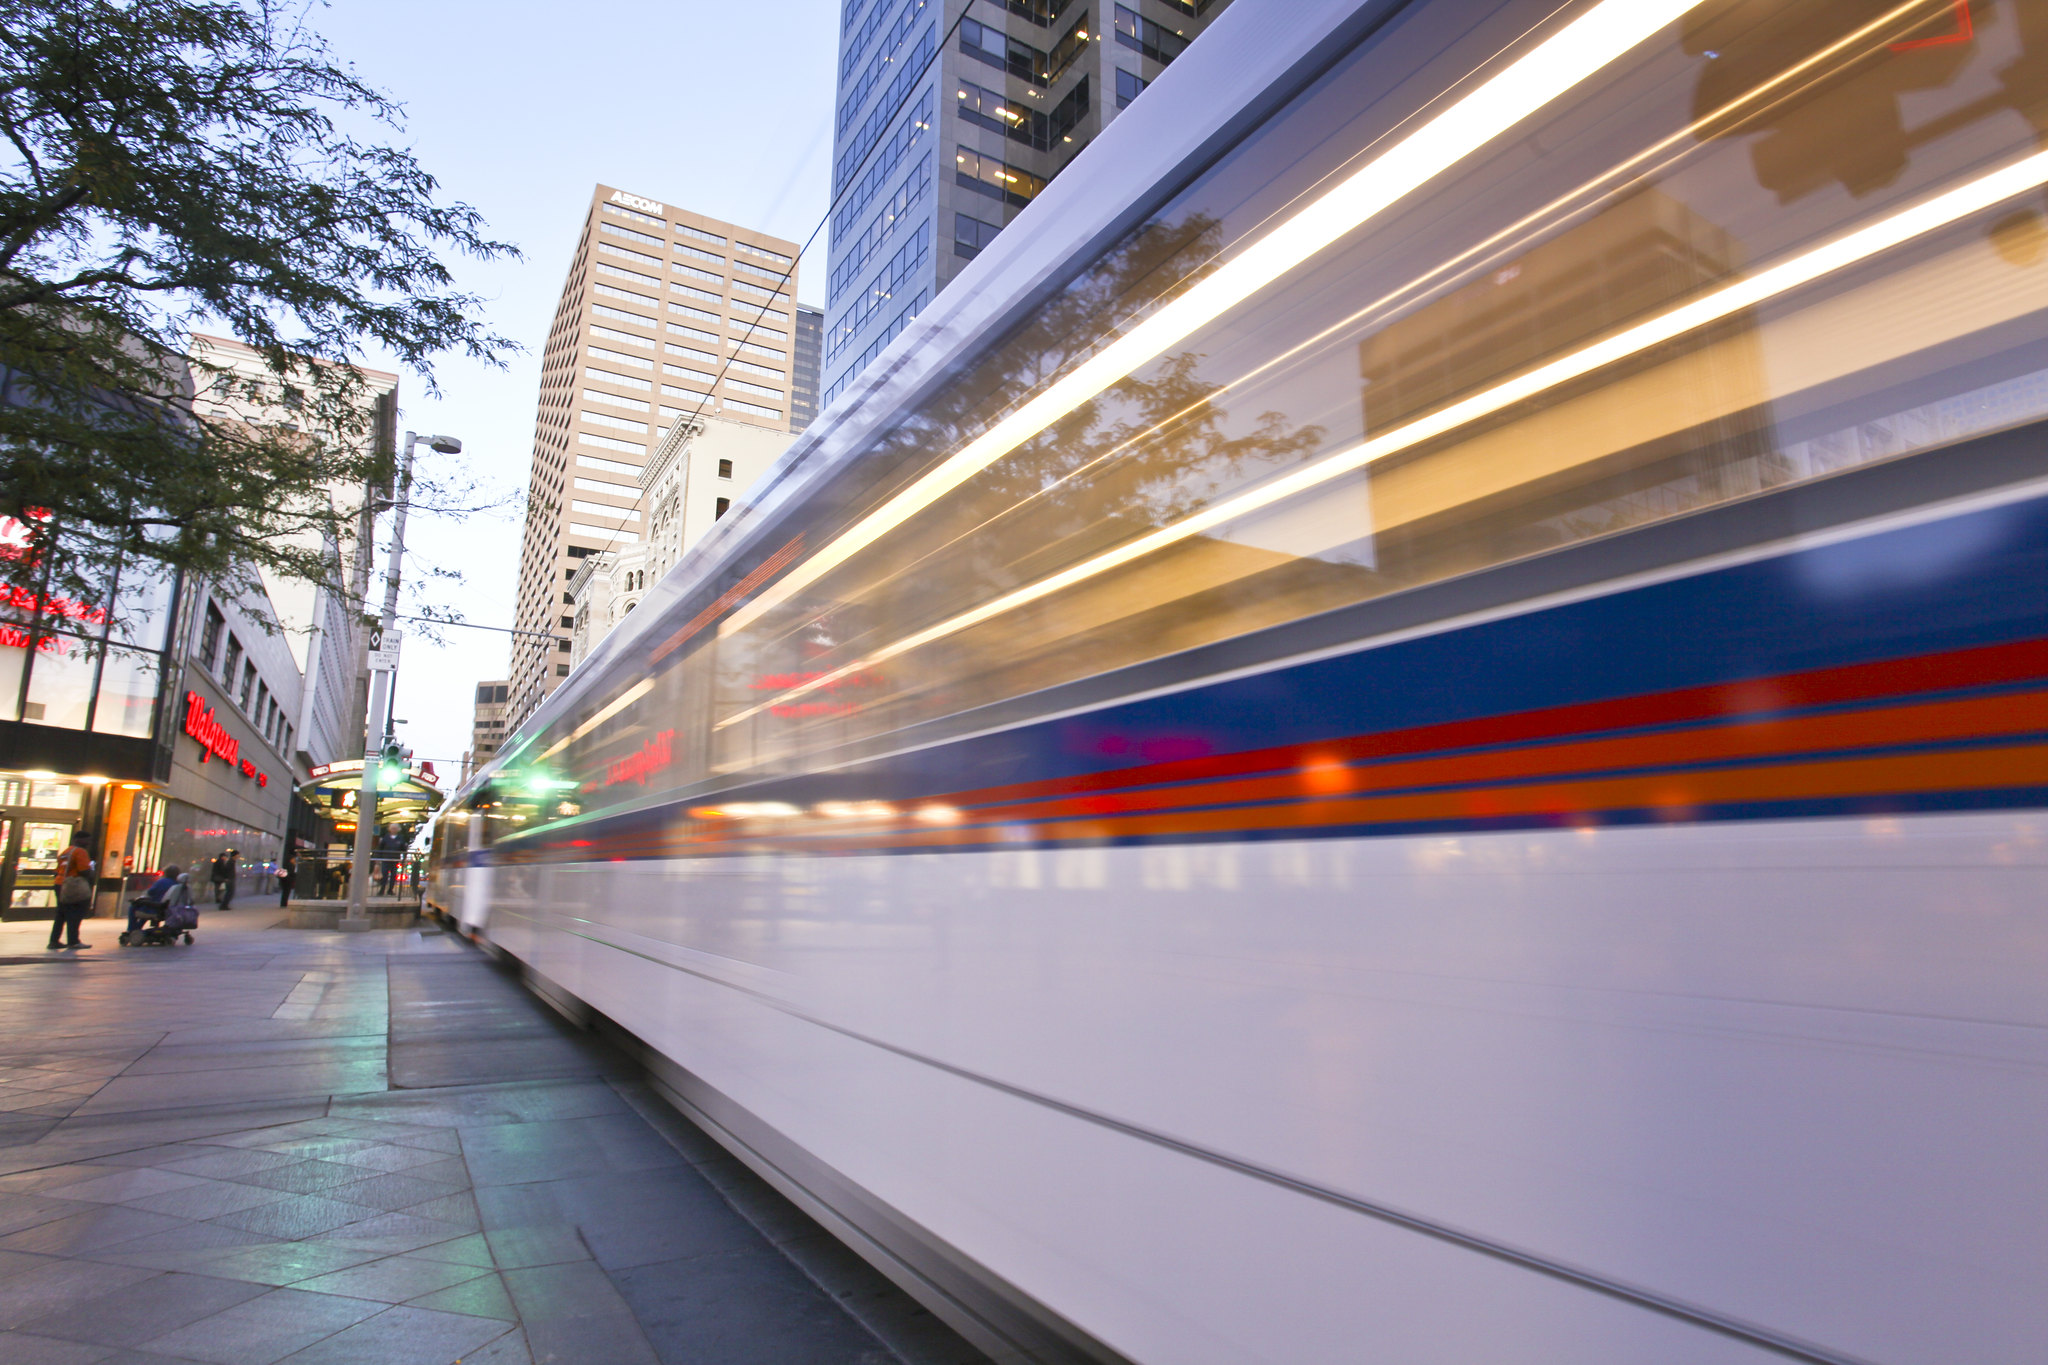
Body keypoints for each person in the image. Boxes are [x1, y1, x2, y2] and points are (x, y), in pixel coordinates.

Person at [47, 831, 93, 951]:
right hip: (72, 886)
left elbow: (57, 870)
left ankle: (53, 941)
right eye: (87, 840)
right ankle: (73, 941)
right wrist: (91, 871)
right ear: (79, 840)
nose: (88, 843)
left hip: (59, 883)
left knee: (61, 914)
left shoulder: (66, 851)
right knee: (74, 914)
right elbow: (84, 871)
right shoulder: (81, 852)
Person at [127, 865, 180, 938]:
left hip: (157, 909)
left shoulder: (162, 881)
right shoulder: (178, 884)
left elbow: (150, 892)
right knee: (145, 908)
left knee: (134, 907)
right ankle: (137, 930)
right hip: (169, 911)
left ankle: (131, 930)